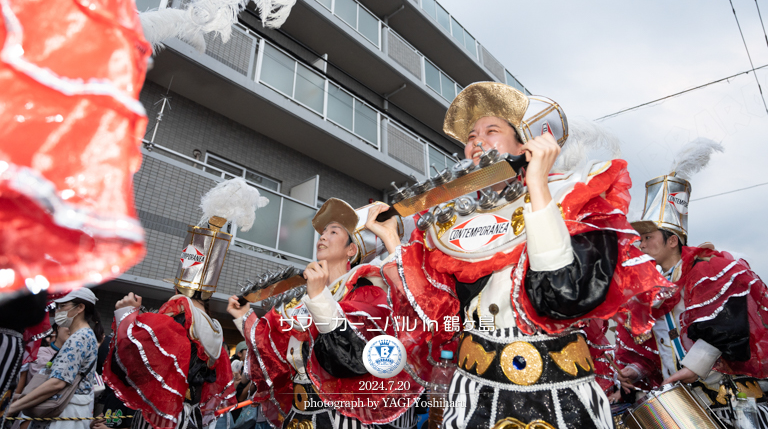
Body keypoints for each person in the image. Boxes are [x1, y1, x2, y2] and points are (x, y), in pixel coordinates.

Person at [366, 82, 672, 429]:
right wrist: (392, 238)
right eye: (470, 136)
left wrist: (538, 185)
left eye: (491, 130)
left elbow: (563, 296)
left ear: (524, 142)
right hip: (472, 399)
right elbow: (439, 314)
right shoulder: (449, 225)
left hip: (559, 397)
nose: (476, 141)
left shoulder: (572, 195)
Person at [227, 198, 422, 429]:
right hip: (297, 419)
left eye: (333, 231)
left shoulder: (368, 292)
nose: (322, 236)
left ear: (351, 249)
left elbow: (352, 357)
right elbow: (271, 349)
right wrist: (243, 316)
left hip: (342, 421)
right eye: (322, 232)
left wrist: (320, 297)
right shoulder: (302, 302)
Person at [614, 139, 768, 427]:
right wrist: (634, 370)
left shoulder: (710, 269)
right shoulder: (648, 290)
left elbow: (729, 326)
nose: (642, 243)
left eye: (649, 237)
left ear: (673, 240)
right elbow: (650, 349)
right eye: (641, 238)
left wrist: (694, 367)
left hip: (725, 396)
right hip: (682, 402)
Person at [103, 178, 270, 429]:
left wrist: (125, 313)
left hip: (164, 417)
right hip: (192, 418)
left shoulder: (180, 307)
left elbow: (137, 356)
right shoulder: (214, 325)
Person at [8, 288, 103, 429]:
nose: (58, 310)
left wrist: (13, 407)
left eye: (63, 306)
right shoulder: (87, 335)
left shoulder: (79, 338)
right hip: (70, 411)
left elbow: (57, 383)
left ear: (80, 308)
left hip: (63, 415)